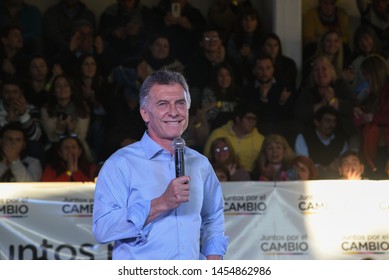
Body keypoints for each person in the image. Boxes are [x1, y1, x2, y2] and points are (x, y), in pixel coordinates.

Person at [93, 69, 228, 260]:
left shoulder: (200, 163)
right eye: (163, 104)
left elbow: (213, 216)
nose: (173, 112)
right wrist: (161, 203)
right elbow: (103, 229)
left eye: (180, 103)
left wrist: (214, 257)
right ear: (145, 114)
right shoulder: (121, 164)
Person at [243, 53, 296, 143]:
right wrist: (263, 99)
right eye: (260, 68)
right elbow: (255, 116)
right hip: (258, 131)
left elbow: (290, 114)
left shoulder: (284, 86)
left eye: (268, 68)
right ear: (254, 71)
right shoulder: (248, 89)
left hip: (282, 131)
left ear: (273, 69)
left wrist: (282, 102)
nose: (265, 72)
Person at [40, 74, 92, 162]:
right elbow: (51, 137)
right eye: (58, 86)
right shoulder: (46, 109)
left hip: (77, 145)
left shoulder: (82, 108)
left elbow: (81, 136)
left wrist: (72, 131)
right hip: (55, 145)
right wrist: (59, 130)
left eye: (66, 85)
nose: (62, 88)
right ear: (54, 91)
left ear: (71, 90)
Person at [203, 102, 264, 173]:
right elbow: (206, 159)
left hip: (249, 179)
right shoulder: (218, 134)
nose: (252, 122)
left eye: (255, 119)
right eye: (249, 118)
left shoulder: (260, 139)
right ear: (238, 119)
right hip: (219, 175)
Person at [354, 54, 389, 174]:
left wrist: (372, 117)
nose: (365, 78)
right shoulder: (372, 94)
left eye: (367, 74)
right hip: (375, 147)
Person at [294, 106, 349, 179]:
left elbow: (346, 162)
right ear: (317, 122)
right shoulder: (303, 138)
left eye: (334, 121)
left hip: (336, 181)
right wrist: (326, 168)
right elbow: (303, 165)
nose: (331, 125)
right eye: (327, 121)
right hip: (311, 182)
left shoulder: (341, 140)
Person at [98, 0, 156, 65]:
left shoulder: (146, 13)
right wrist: (113, 33)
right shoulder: (109, 13)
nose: (126, 3)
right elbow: (101, 33)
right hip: (115, 51)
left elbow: (153, 34)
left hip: (139, 52)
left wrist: (139, 31)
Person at [152, 0, 207, 65]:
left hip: (188, 59)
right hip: (161, 59)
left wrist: (190, 26)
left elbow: (205, 36)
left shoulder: (195, 14)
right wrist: (164, 23)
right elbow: (150, 36)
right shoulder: (159, 11)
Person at [201, 62, 242, 130]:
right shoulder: (208, 91)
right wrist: (227, 107)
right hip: (215, 127)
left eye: (227, 75)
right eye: (221, 75)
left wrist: (218, 104)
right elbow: (208, 114)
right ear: (216, 77)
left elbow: (239, 108)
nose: (224, 79)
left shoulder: (236, 91)